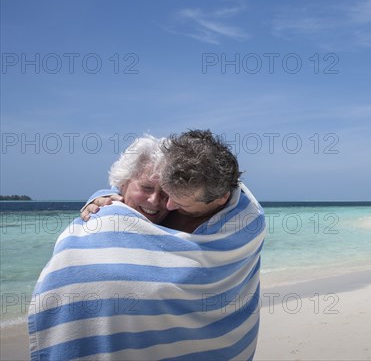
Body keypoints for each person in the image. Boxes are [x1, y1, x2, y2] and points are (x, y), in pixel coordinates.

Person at [29, 130, 265, 360]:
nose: (166, 204)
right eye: (149, 189)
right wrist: (100, 199)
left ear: (221, 198)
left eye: (171, 196)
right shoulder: (108, 211)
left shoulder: (244, 220)